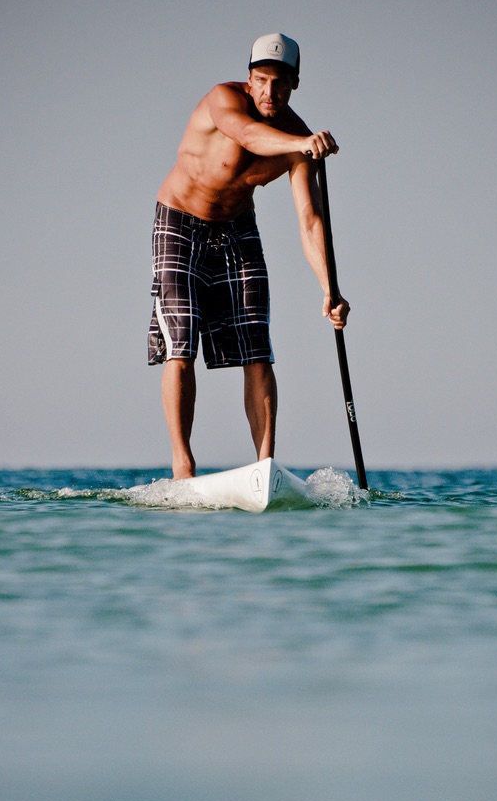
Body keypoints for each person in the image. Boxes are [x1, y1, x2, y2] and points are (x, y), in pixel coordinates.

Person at [147, 33, 349, 479]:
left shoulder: (300, 141)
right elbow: (247, 135)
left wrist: (330, 290)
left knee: (257, 344)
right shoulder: (224, 100)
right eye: (260, 80)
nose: (268, 92)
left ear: (294, 83)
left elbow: (310, 220)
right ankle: (183, 468)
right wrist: (300, 144)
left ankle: (265, 469)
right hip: (180, 221)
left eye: (279, 83)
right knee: (181, 339)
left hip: (238, 229)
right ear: (249, 78)